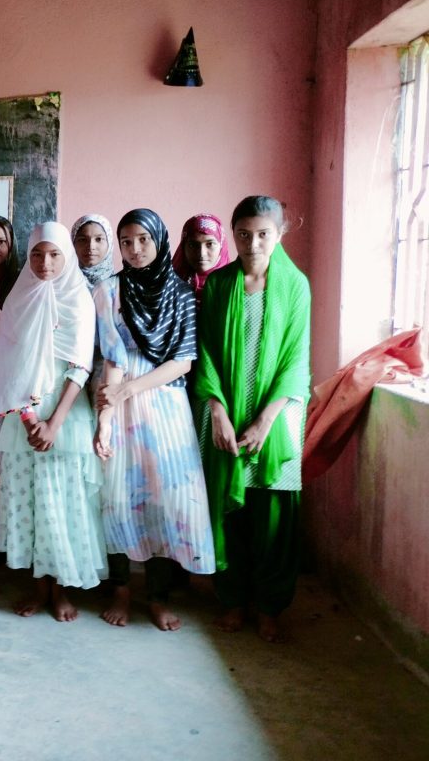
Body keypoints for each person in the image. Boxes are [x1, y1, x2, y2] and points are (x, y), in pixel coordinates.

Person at [0, 224, 105, 619]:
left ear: (66, 256)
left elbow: (80, 367)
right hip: (23, 415)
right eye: (37, 255)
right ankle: (37, 586)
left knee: (62, 503)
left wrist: (54, 422)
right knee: (29, 504)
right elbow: (10, 367)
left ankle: (62, 589)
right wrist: (30, 421)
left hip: (66, 413)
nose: (45, 263)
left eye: (54, 255)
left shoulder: (79, 298)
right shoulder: (18, 299)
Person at [93, 208, 216, 631]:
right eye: (126, 242)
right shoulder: (109, 290)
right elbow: (112, 356)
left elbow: (182, 362)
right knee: (118, 500)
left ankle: (158, 595)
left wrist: (129, 390)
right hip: (121, 406)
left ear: (159, 240)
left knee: (167, 503)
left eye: (143, 239)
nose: (134, 249)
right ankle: (122, 591)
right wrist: (105, 420)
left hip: (164, 408)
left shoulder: (180, 292)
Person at [193, 196, 310, 642]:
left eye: (263, 234)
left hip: (276, 417)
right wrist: (218, 410)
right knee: (228, 512)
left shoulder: (296, 285)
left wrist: (266, 420)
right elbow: (204, 352)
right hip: (224, 411)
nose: (253, 243)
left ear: (279, 234)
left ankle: (270, 606)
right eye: (244, 234)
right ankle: (233, 600)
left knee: (273, 516)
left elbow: (297, 362)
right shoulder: (220, 284)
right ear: (233, 234)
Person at [173, 213, 229, 306]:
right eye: (193, 245)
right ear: (183, 246)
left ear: (221, 246)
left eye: (210, 244)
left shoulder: (233, 284)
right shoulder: (170, 284)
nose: (201, 253)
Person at [70, 214, 115, 292]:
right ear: (73, 243)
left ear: (109, 243)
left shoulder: (120, 285)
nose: (91, 246)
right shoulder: (63, 285)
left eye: (98, 239)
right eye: (83, 240)